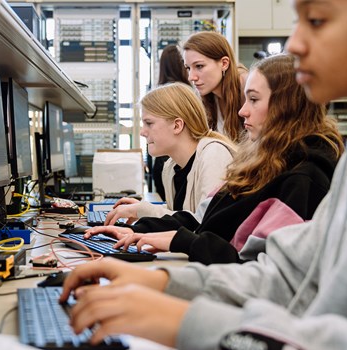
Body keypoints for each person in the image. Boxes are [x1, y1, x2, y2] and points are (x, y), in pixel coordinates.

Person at [61, 0, 347, 350]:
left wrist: (186, 322)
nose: (295, 41)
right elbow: (289, 279)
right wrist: (167, 284)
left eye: (316, 21)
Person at [91, 53, 344, 265]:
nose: (242, 111)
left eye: (254, 100)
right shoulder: (262, 164)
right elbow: (203, 219)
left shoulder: (303, 179)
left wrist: (181, 241)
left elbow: (258, 267)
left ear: (287, 107)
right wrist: (135, 231)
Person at [105, 82, 237, 226]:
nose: (143, 132)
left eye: (149, 123)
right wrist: (141, 209)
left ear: (177, 125)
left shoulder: (214, 155)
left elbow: (204, 223)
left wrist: (143, 210)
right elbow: (179, 217)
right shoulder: (170, 167)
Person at [182, 31, 248, 142]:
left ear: (224, 63)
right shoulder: (206, 96)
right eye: (188, 68)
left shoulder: (246, 87)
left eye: (199, 66)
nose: (191, 77)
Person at [152, 44, 191, 202]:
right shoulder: (187, 93)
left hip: (161, 161)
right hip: (179, 162)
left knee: (168, 208)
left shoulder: (157, 93)